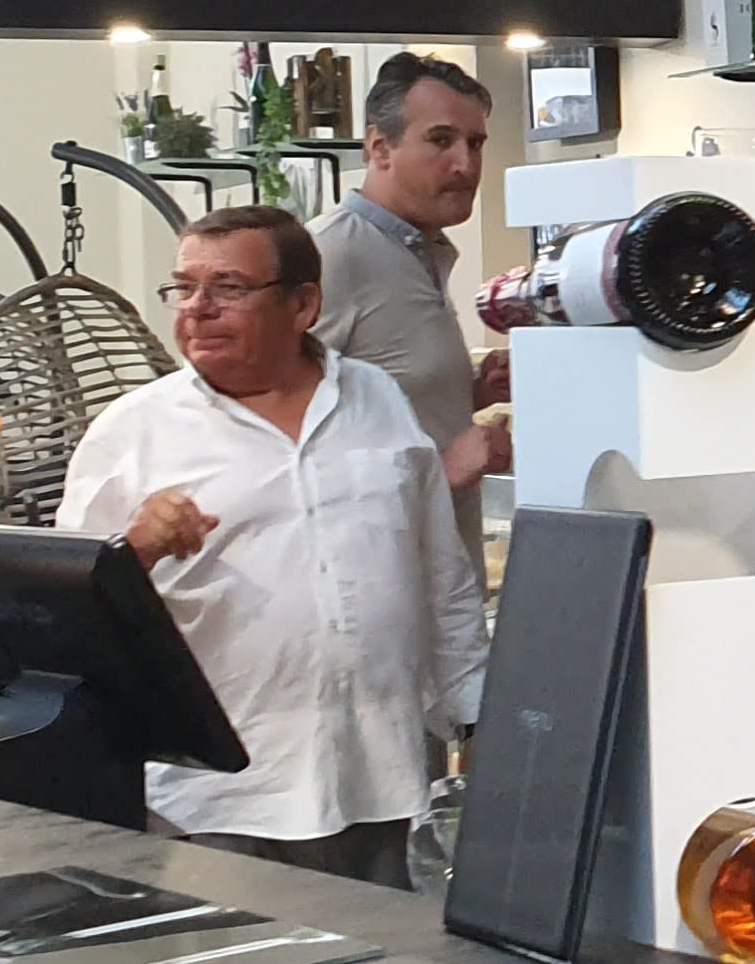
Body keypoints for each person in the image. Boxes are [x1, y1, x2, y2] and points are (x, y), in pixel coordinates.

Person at [57, 205, 485, 885]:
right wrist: (133, 549)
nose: (197, 308)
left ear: (303, 305)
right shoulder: (132, 432)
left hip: (380, 781)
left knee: (384, 956)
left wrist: (476, 716)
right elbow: (64, 620)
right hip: (219, 801)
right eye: (183, 287)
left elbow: (439, 571)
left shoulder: (375, 398)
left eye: (227, 287)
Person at [313, 51, 505, 572]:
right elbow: (278, 448)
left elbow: (376, 396)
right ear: (379, 147)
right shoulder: (331, 255)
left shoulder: (421, 250)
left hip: (441, 577)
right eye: (440, 141)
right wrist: (446, 471)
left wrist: (470, 390)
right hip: (370, 588)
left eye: (475, 143)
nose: (465, 165)